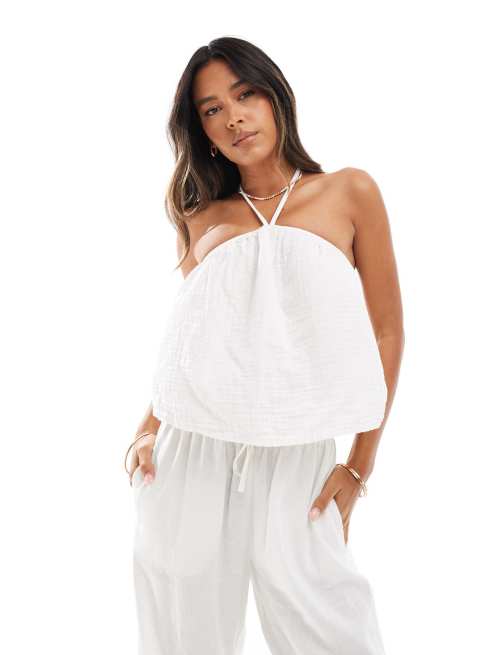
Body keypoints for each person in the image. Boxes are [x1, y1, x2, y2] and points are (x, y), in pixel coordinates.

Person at [125, 36, 405, 655]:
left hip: (297, 446)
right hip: (191, 449)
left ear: (275, 96)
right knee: (183, 624)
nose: (233, 117)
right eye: (212, 109)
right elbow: (195, 344)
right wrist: (146, 431)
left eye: (245, 94)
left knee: (324, 616)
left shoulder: (348, 192)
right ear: (202, 131)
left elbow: (386, 330)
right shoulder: (200, 216)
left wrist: (359, 465)